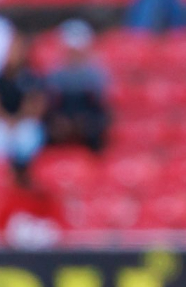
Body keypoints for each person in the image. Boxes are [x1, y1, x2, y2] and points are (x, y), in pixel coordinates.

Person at [45, 19, 110, 152]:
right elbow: (51, 102)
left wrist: (84, 121)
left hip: (88, 117)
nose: (74, 54)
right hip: (62, 115)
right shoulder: (54, 74)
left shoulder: (97, 74)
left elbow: (101, 104)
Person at [0, 23, 47, 169]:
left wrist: (17, 121)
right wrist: (8, 121)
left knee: (27, 135)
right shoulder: (2, 76)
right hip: (4, 122)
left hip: (24, 122)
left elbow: (36, 105)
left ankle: (24, 172)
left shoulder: (31, 75)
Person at [0, 162, 67, 249]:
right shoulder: (11, 199)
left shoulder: (43, 198)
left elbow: (58, 229)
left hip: (46, 250)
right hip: (12, 252)